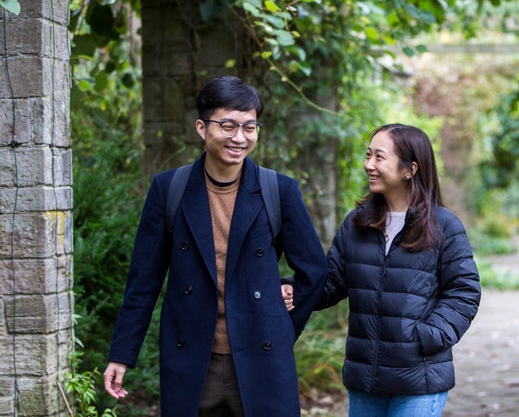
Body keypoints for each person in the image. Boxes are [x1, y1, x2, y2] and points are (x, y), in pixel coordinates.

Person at [103, 76, 328, 417]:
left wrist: (281, 328)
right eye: (228, 125)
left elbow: (314, 270)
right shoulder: (169, 189)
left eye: (250, 127)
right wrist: (122, 353)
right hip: (193, 360)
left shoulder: (278, 190)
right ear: (202, 127)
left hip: (262, 359)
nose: (240, 138)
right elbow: (143, 280)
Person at [284, 123, 481, 416]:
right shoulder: (357, 223)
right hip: (366, 378)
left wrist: (428, 336)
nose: (368, 165)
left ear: (409, 169)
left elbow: (464, 292)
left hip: (419, 377)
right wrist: (293, 290)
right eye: (368, 155)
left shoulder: (443, 226)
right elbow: (333, 282)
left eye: (379, 157)